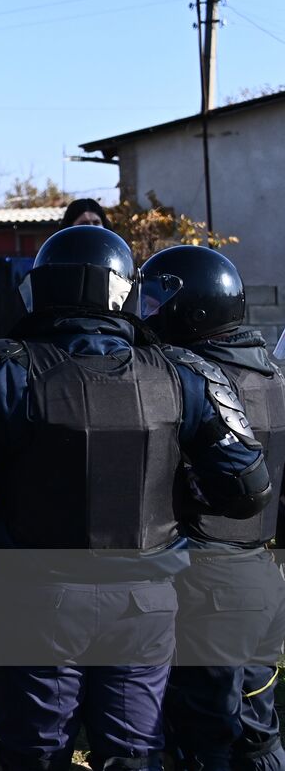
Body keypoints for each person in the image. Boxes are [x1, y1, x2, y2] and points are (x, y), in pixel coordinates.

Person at [0, 225, 271, 771]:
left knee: (35, 752)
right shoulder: (186, 370)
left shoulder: (1, 366)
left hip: (37, 597)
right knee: (134, 751)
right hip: (144, 599)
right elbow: (247, 491)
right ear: (124, 290)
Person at [140, 245, 285, 771]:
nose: (149, 310)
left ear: (193, 307)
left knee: (201, 736)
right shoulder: (273, 374)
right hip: (262, 575)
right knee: (258, 729)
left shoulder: (183, 380)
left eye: (158, 299)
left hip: (202, 579)